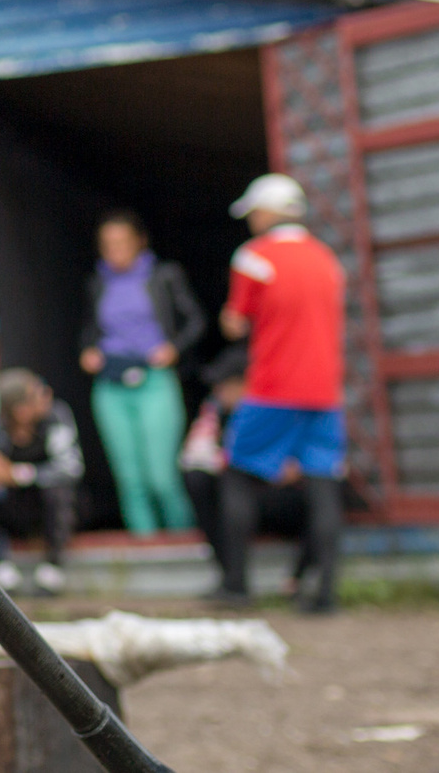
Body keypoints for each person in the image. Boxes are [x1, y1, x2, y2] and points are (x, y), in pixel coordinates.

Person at [213, 173, 347, 613]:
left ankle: (236, 585)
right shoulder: (327, 259)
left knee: (236, 473)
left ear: (268, 212)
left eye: (254, 213)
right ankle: (325, 595)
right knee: (323, 485)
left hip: (274, 386)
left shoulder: (253, 257)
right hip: (324, 390)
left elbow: (236, 322)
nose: (252, 221)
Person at [77, 208, 204, 534]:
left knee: (161, 475)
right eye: (108, 245)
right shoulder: (99, 282)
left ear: (140, 242)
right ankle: (142, 544)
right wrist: (88, 351)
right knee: (130, 478)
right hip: (111, 383)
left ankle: (183, 541)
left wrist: (173, 348)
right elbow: (90, 329)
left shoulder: (163, 276)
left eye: (122, 242)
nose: (115, 251)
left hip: (153, 379)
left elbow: (195, 321)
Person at [180, 349, 310, 596]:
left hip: (282, 498)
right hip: (240, 501)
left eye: (225, 385)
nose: (219, 392)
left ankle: (299, 580)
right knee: (203, 479)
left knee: (323, 494)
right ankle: (232, 579)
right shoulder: (217, 410)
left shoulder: (281, 403)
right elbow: (195, 455)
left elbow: (310, 463)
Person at [0, 368, 84, 595]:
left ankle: (52, 567)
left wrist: (19, 474)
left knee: (58, 490)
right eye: (37, 394)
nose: (46, 396)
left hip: (51, 511)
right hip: (18, 512)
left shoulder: (55, 418)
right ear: (20, 410)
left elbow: (72, 468)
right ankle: (1, 566)